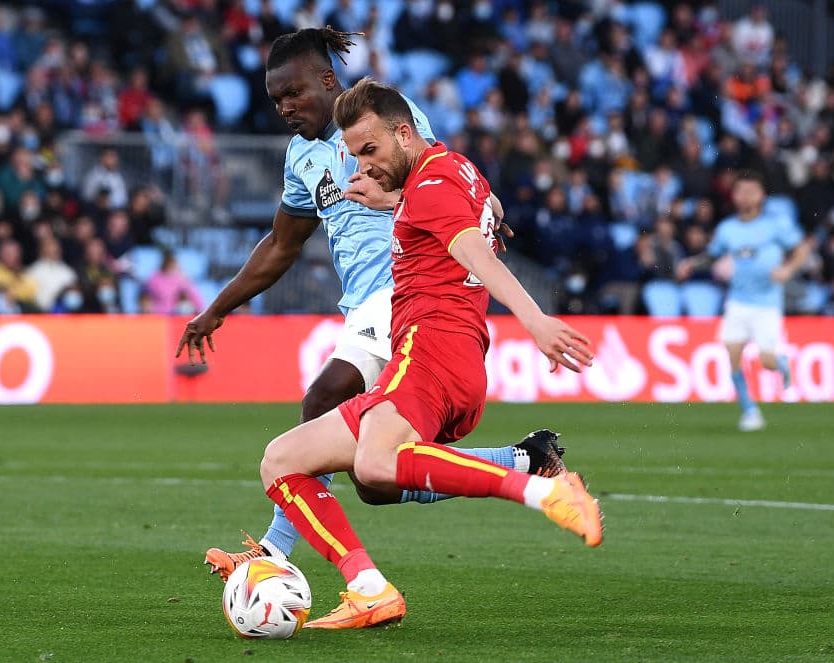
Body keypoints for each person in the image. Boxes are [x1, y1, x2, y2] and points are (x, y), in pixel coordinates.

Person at [176, 29, 571, 581]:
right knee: (375, 483)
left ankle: (277, 553)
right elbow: (283, 245)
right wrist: (217, 308)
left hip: (411, 289)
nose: (285, 107)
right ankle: (526, 461)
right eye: (275, 100)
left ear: (327, 81)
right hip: (364, 306)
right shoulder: (300, 160)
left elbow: (449, 183)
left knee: (324, 396)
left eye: (293, 93)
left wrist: (422, 204)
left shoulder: (384, 124)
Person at [245, 79, 602, 629]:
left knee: (375, 464)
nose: (365, 164)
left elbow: (475, 251)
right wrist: (392, 201)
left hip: (430, 349)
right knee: (284, 460)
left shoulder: (432, 185)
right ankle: (368, 587)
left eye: (371, 151)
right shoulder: (456, 168)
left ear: (404, 132)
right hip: (448, 353)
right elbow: (485, 212)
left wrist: (534, 320)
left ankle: (543, 489)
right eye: (355, 156)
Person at [680, 170, 812, 431]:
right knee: (733, 358)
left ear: (762, 195)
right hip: (738, 301)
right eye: (740, 191)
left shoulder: (776, 225)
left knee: (766, 360)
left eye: (751, 191)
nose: (745, 196)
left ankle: (781, 364)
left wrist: (787, 269)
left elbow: (802, 249)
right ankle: (750, 410)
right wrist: (691, 264)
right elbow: (712, 255)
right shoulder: (728, 229)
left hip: (767, 302)